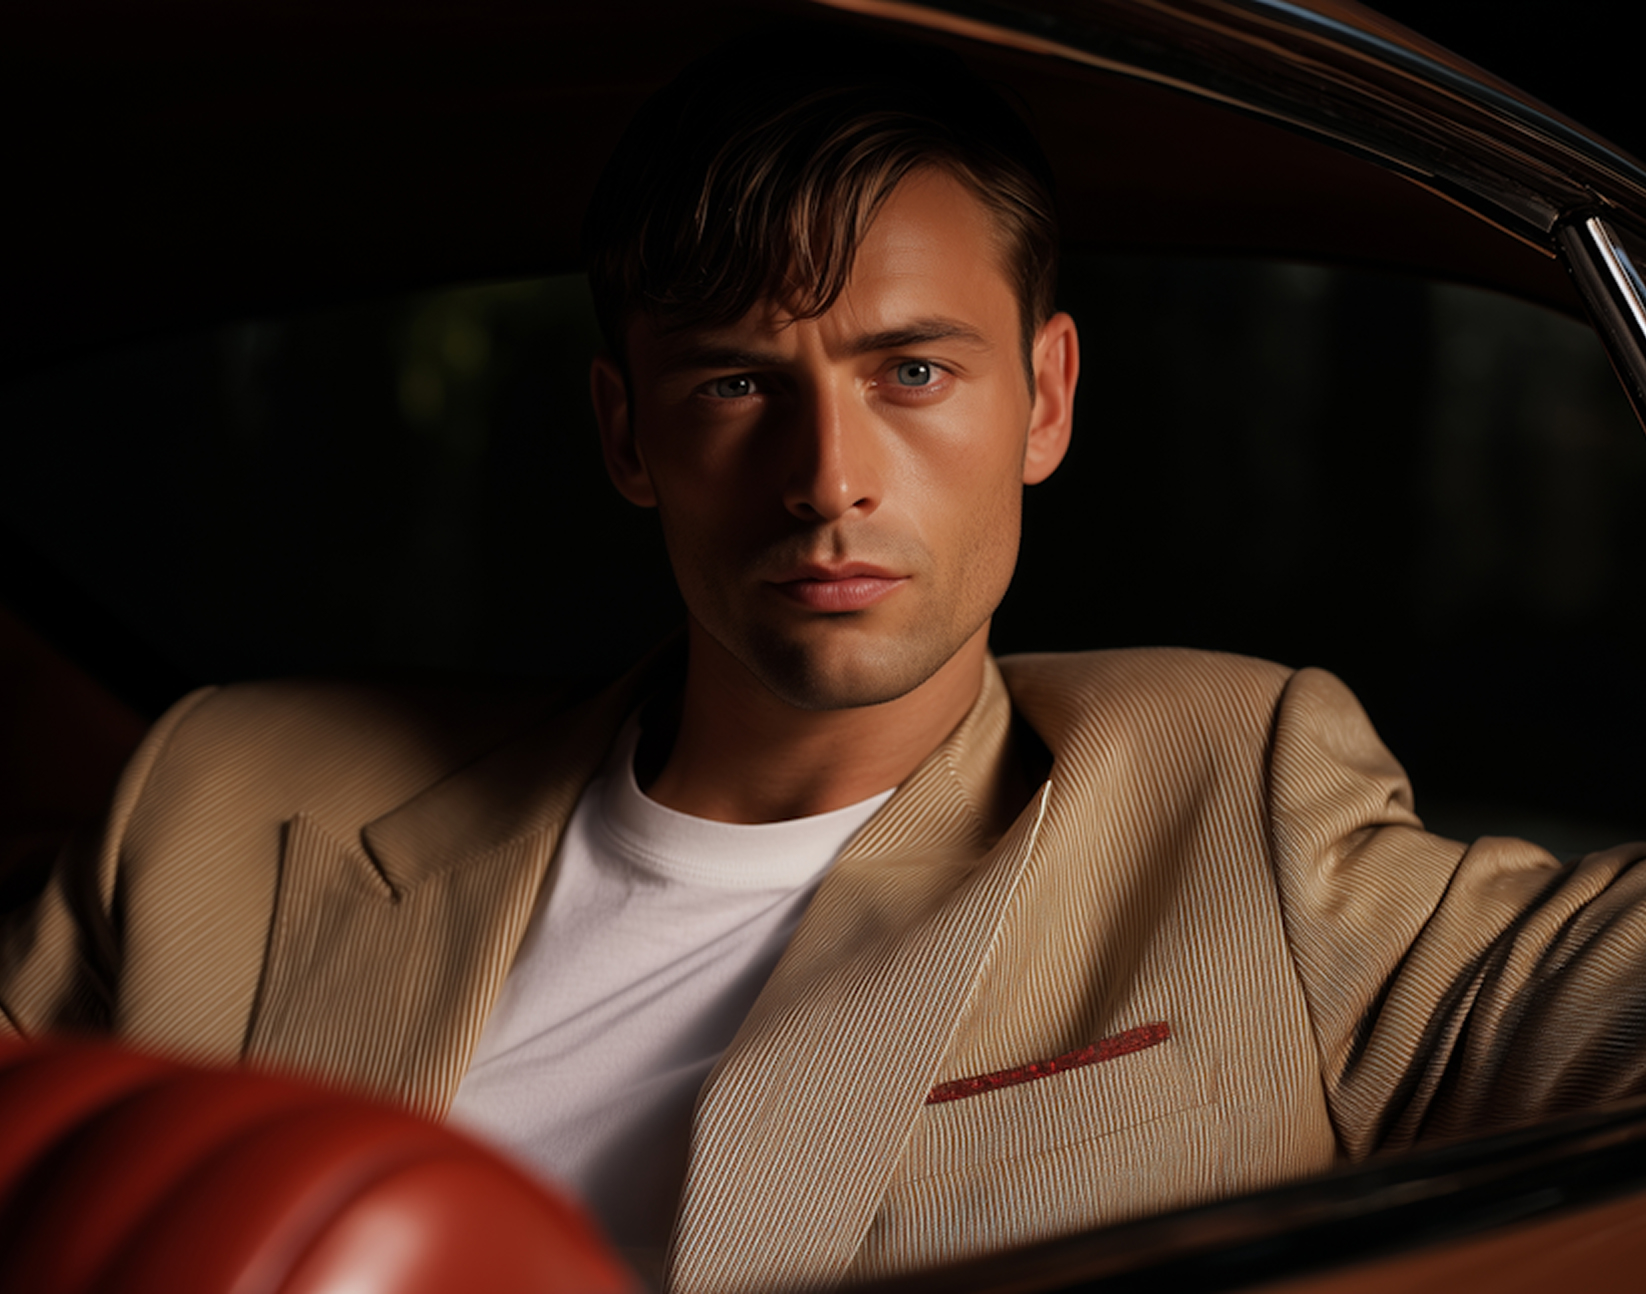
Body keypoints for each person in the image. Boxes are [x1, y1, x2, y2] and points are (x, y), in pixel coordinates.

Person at [3, 26, 1646, 1294]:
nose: (827, 478)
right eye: (732, 385)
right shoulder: (224, 798)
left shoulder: (1231, 785)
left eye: (911, 371)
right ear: (624, 429)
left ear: (1046, 399)